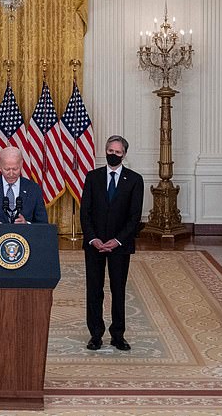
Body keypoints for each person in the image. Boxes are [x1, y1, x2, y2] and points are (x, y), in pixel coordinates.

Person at [80, 135, 144, 351]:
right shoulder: (92, 177)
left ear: (124, 154)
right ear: (105, 151)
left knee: (118, 290)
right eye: (110, 151)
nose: (113, 155)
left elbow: (134, 217)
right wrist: (94, 239)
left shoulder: (135, 180)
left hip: (120, 246)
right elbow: (85, 213)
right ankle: (95, 335)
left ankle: (118, 335)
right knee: (94, 290)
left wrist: (116, 241)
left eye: (117, 152)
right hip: (94, 245)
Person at [0, 146, 48, 224]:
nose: (11, 174)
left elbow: (43, 225)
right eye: (7, 169)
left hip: (25, 236)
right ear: (0, 165)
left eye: (15, 169)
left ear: (21, 164)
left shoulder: (33, 189)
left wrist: (27, 224)